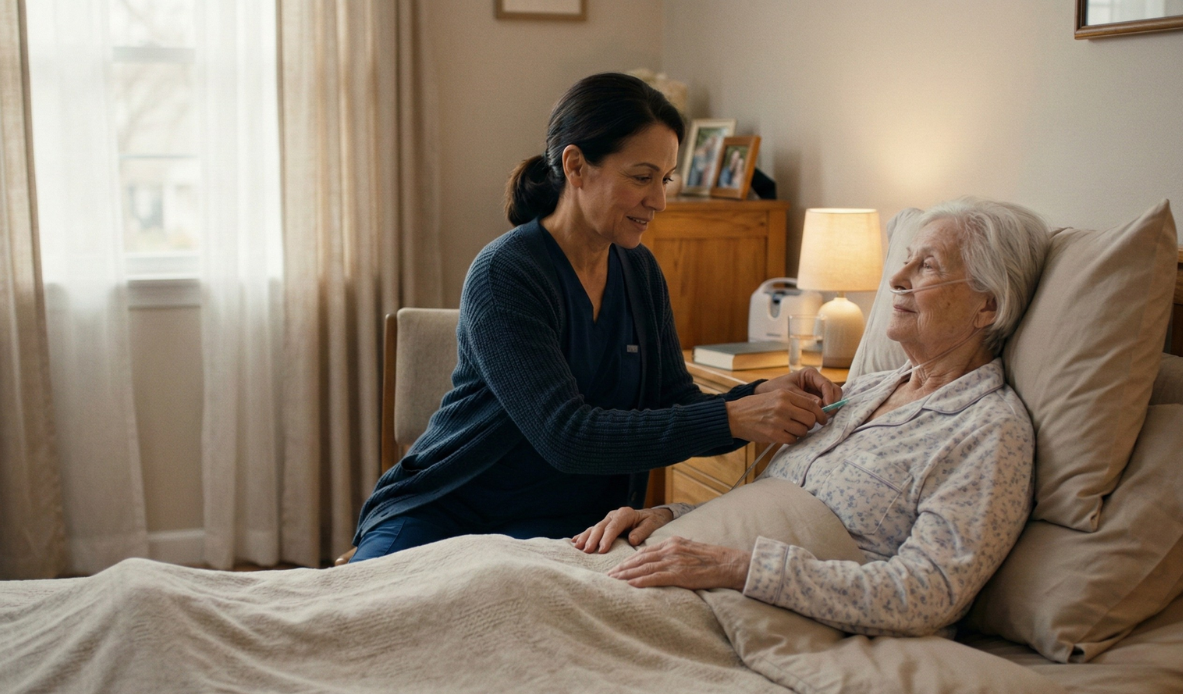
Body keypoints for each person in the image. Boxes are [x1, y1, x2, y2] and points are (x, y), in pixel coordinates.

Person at [342, 73, 840, 563]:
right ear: (576, 166)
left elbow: (674, 402)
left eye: (664, 180)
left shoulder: (640, 271)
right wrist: (732, 416)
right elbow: (567, 436)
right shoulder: (506, 274)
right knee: (365, 623)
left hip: (566, 531)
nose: (660, 201)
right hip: (445, 510)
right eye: (642, 178)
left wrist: (760, 397)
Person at [576, 198, 1050, 637]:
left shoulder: (988, 432)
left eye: (926, 265)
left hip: (756, 615)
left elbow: (926, 595)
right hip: (684, 569)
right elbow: (764, 517)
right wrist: (664, 517)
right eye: (904, 259)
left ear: (987, 304)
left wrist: (736, 567)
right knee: (509, 571)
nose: (896, 278)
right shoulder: (859, 391)